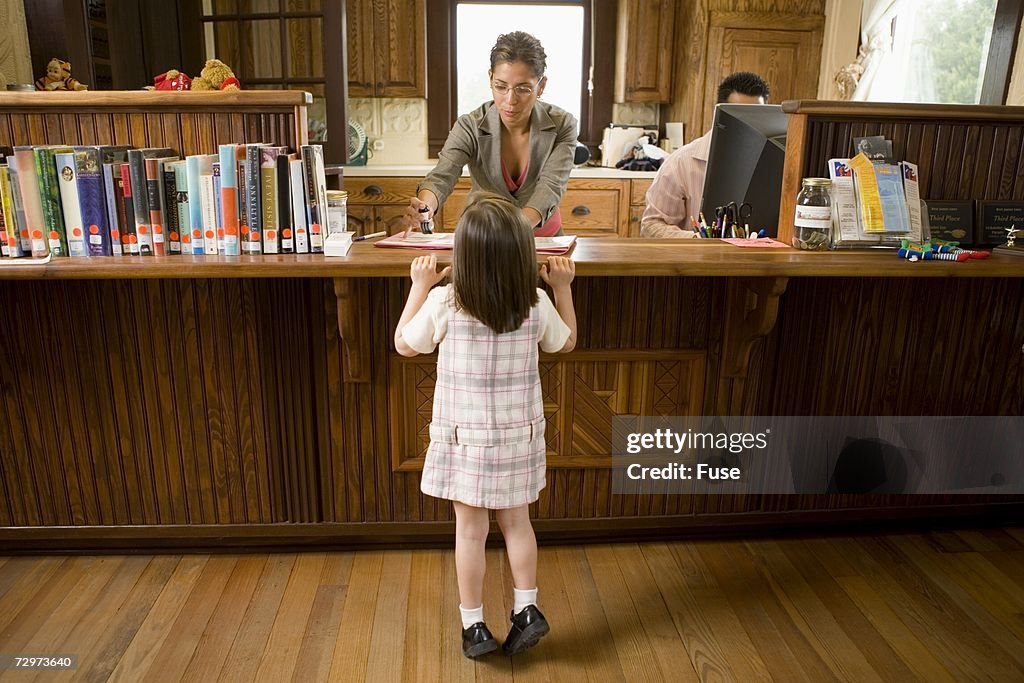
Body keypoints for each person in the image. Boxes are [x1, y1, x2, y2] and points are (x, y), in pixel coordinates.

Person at [394, 193, 577, 658]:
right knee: (518, 524)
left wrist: (418, 284)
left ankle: (474, 625)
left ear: (463, 256)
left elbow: (404, 345)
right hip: (518, 438)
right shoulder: (534, 303)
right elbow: (567, 343)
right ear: (523, 253)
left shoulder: (445, 303)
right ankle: (527, 609)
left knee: (470, 532)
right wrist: (564, 288)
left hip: (467, 440)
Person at [404, 32, 578, 236]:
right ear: (490, 78)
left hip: (542, 238)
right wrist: (425, 207)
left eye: (523, 88)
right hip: (483, 237)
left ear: (541, 86)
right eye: (501, 86)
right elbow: (443, 175)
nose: (510, 100)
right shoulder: (470, 125)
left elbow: (551, 187)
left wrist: (513, 231)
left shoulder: (563, 124)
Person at [641, 72, 770, 238]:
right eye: (741, 117)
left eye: (757, 118)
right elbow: (651, 226)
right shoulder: (680, 163)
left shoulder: (777, 165)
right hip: (697, 260)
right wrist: (695, 240)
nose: (750, 127)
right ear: (719, 115)